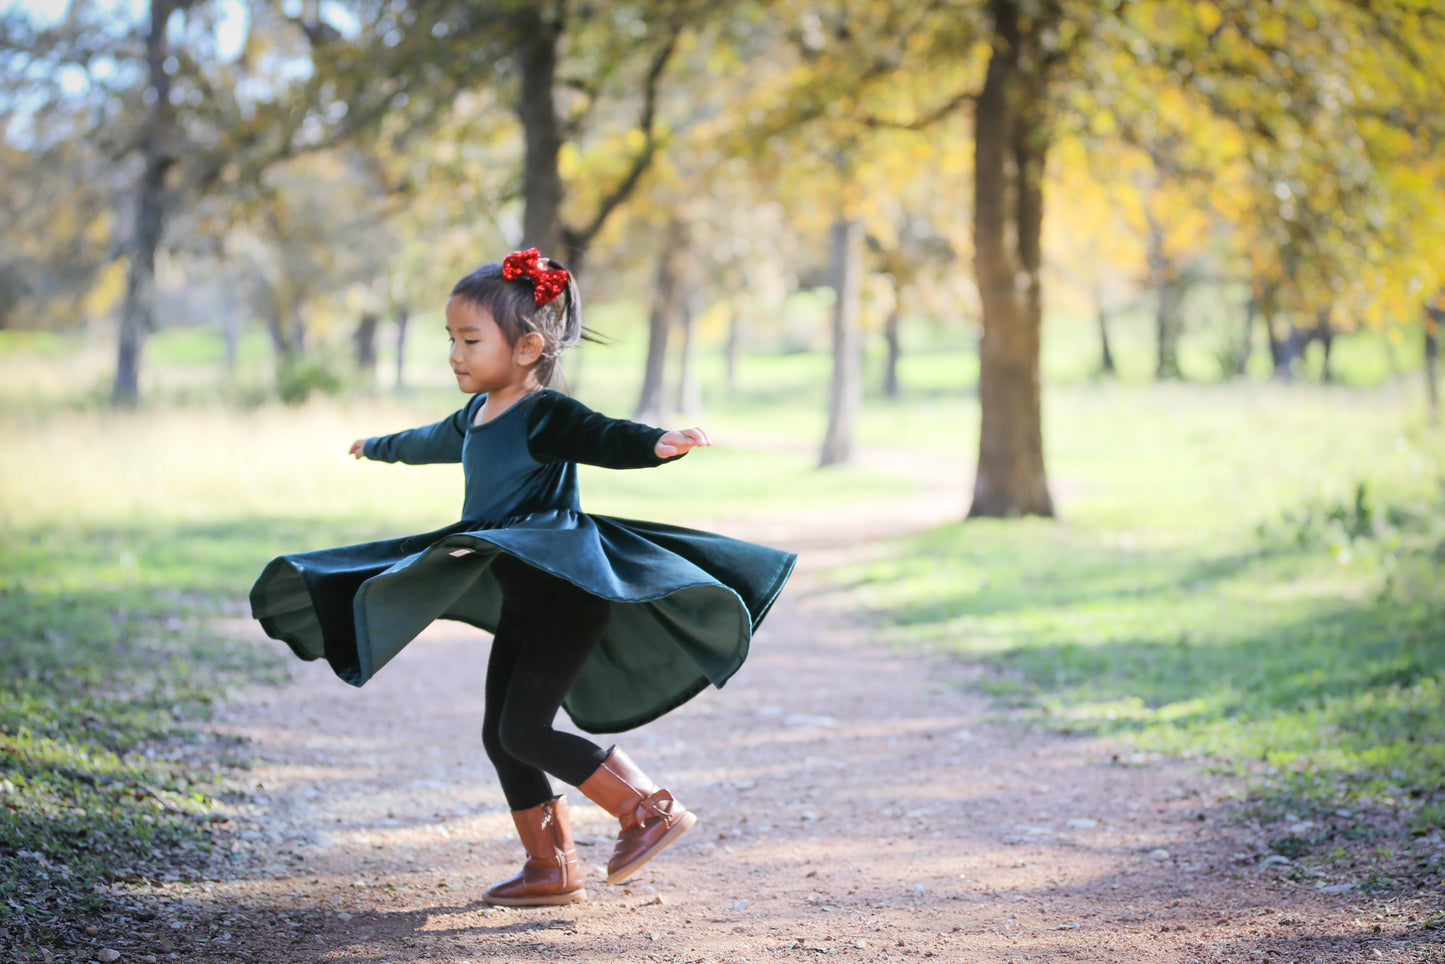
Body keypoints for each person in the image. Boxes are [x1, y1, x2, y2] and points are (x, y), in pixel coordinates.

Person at [249, 248, 796, 907]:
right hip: (523, 599)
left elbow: (604, 435)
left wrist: (656, 443)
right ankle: (550, 867)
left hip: (565, 593)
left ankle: (644, 810)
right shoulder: (475, 416)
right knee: (500, 733)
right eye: (450, 339)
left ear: (528, 346)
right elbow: (426, 439)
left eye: (470, 340)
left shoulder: (544, 413)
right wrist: (379, 447)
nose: (455, 353)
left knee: (523, 730)